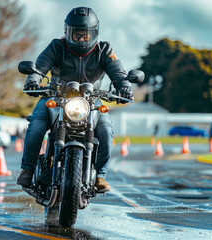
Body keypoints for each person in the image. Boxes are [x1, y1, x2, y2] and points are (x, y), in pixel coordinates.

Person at [17, 7, 133, 192]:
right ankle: (27, 170)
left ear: (94, 33)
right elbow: (39, 67)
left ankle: (100, 176)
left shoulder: (104, 50)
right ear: (67, 32)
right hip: (55, 97)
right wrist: (33, 81)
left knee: (106, 130)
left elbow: (118, 72)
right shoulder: (56, 46)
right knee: (36, 126)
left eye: (85, 36)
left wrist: (125, 87)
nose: (80, 39)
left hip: (92, 100)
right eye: (76, 34)